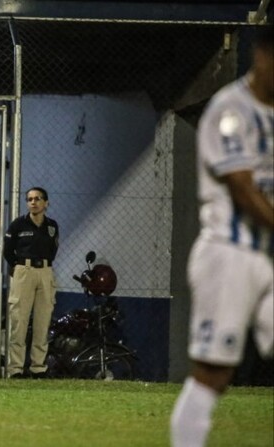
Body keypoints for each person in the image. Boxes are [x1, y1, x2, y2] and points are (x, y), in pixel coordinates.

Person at [170, 28, 273, 447]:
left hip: (269, 256)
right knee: (214, 374)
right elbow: (243, 189)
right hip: (230, 256)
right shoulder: (230, 110)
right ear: (263, 54)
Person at [3, 187, 59, 379]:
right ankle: (16, 369)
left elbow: (53, 250)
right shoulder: (18, 224)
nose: (33, 202)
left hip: (45, 271)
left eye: (37, 199)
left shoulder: (52, 226)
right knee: (19, 320)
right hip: (23, 271)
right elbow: (8, 251)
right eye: (29, 199)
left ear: (46, 203)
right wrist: (18, 268)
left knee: (43, 321)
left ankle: (38, 367)